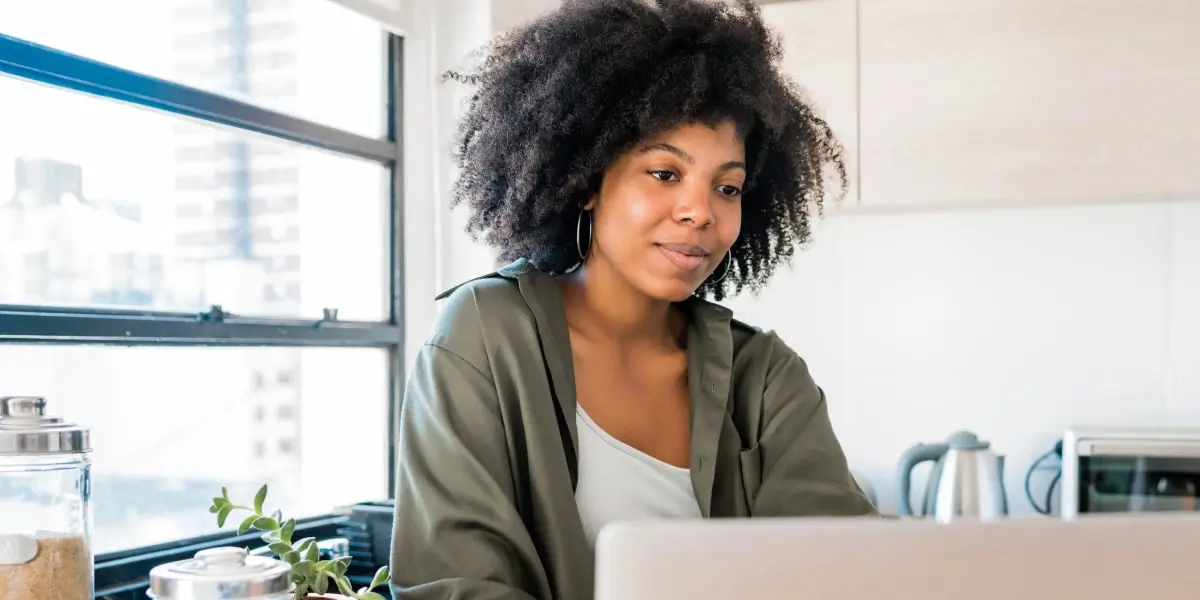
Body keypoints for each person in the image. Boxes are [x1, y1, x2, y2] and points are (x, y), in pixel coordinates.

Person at [390, 0, 876, 598]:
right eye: (665, 174)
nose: (700, 211)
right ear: (588, 181)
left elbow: (845, 569)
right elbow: (455, 583)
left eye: (727, 187)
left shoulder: (766, 379)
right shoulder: (485, 337)